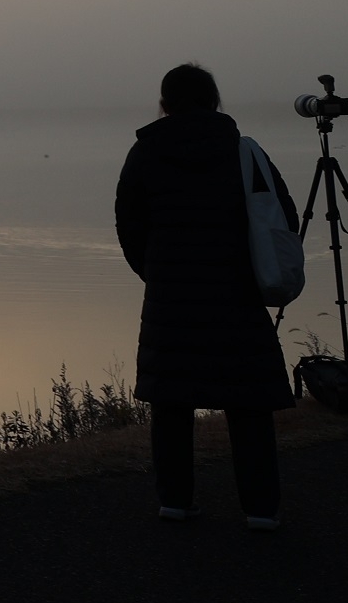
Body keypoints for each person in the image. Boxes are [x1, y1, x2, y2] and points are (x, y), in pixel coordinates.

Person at [115, 61, 295, 528]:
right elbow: (282, 216)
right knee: (248, 401)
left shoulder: (145, 153)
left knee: (171, 400)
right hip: (237, 293)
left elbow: (128, 227)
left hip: (170, 298)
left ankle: (174, 501)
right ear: (215, 101)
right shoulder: (243, 151)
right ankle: (260, 509)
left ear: (165, 103)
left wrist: (156, 274)